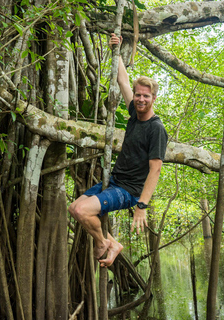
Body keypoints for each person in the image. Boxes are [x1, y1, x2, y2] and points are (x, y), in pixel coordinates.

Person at [68, 33, 168, 267]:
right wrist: (117, 48)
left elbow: (155, 170)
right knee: (73, 208)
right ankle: (111, 243)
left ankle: (105, 243)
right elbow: (123, 81)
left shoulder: (156, 129)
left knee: (83, 211)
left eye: (146, 96)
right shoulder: (135, 113)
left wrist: (141, 207)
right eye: (138, 95)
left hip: (128, 191)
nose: (141, 99)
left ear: (154, 98)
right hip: (114, 180)